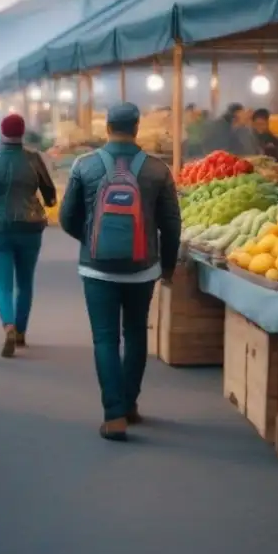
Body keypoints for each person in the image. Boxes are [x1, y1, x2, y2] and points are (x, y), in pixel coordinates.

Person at [59, 103, 182, 442]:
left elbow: (67, 217)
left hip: (97, 268)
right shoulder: (158, 169)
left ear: (107, 127)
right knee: (136, 333)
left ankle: (113, 415)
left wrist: (90, 241)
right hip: (143, 269)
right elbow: (172, 224)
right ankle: (129, 404)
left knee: (105, 338)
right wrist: (167, 267)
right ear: (137, 127)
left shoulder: (84, 166)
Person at [0, 114, 56, 358]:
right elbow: (50, 193)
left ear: (2, 132)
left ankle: (7, 324)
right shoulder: (33, 159)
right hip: (30, 227)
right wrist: (45, 200)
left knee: (3, 283)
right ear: (22, 133)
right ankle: (21, 331)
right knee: (26, 281)